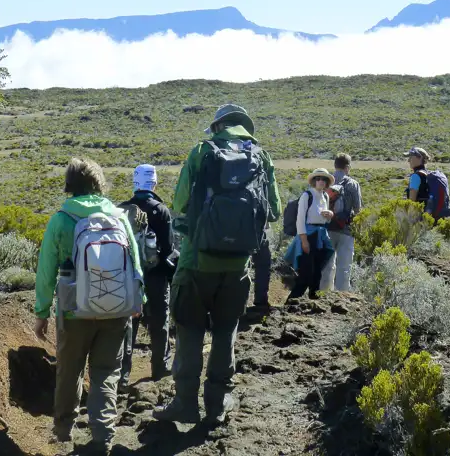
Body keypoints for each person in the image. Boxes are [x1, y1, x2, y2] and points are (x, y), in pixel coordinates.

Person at [153, 104, 281, 425]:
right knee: (225, 332)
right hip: (237, 267)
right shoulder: (262, 158)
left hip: (196, 262)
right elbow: (275, 210)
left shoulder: (202, 151)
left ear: (219, 126)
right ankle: (218, 403)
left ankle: (185, 402)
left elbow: (179, 202)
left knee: (190, 330)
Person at [34, 158, 144, 456]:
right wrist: (138, 300)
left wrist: (41, 313)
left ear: (70, 185)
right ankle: (103, 435)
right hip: (117, 309)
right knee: (106, 372)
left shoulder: (61, 219)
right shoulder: (118, 216)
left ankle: (63, 431)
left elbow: (46, 271)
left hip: (74, 311)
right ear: (99, 183)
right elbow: (135, 263)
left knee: (69, 371)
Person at [117, 164, 175, 388]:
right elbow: (168, 248)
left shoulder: (121, 209)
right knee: (160, 321)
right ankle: (160, 368)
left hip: (129, 278)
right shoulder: (161, 210)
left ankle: (122, 374)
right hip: (156, 276)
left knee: (128, 324)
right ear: (154, 182)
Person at [285, 168, 336, 300]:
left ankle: (314, 302)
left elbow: (324, 219)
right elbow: (300, 219)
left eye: (324, 179)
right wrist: (304, 240)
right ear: (314, 181)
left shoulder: (325, 196)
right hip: (308, 236)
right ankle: (291, 303)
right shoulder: (307, 196)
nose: (321, 181)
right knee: (306, 273)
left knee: (317, 272)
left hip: (321, 236)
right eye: (318, 179)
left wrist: (330, 215)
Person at [320, 153, 362, 292]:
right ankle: (341, 298)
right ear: (348, 167)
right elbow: (357, 210)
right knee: (344, 266)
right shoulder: (353, 184)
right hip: (346, 230)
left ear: (335, 165)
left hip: (327, 229)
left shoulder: (326, 182)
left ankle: (323, 295)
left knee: (327, 265)